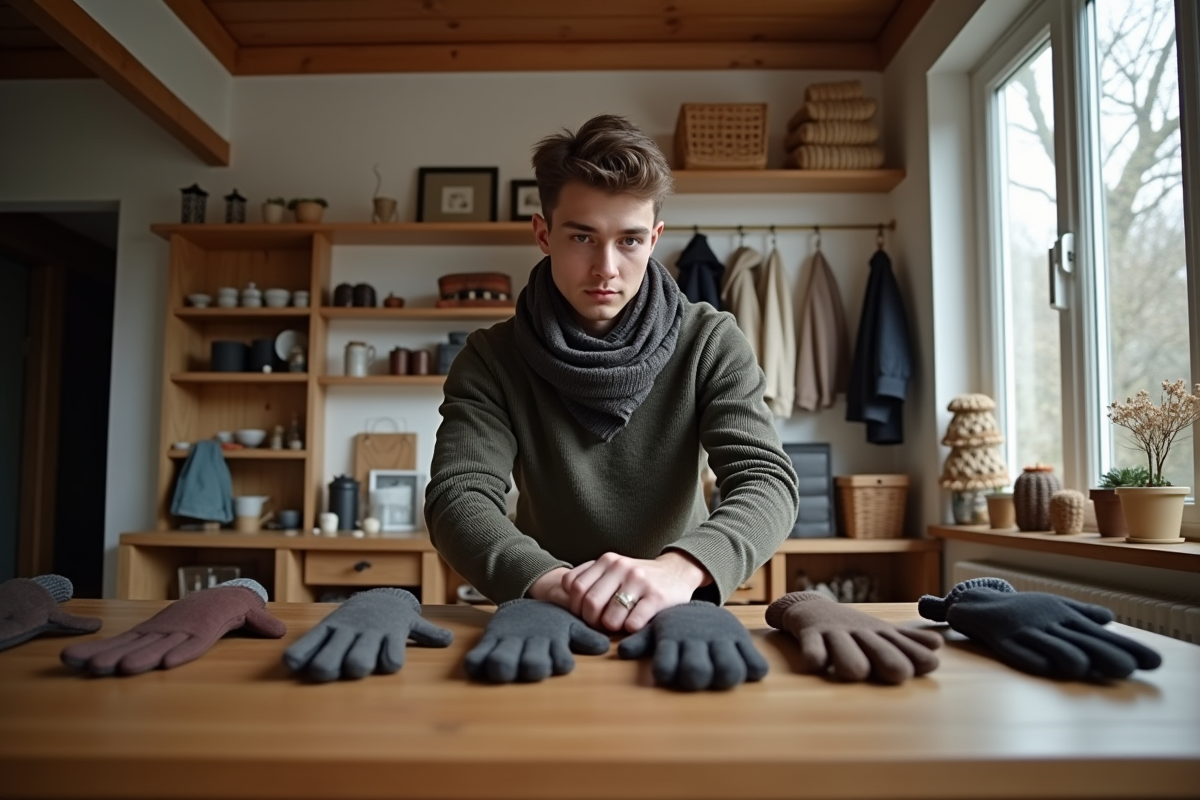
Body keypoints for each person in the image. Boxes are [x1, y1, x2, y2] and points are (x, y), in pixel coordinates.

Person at [425, 114, 799, 634]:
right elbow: (458, 496)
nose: (606, 267)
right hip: (545, 611)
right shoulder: (491, 357)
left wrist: (680, 570)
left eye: (629, 240)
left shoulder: (711, 341)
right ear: (543, 233)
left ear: (654, 239)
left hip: (680, 610)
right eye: (582, 237)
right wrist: (556, 583)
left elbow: (766, 479)